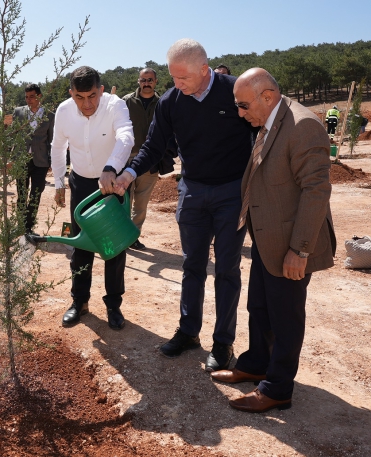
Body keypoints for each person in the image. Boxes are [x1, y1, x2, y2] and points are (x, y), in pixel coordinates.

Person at [113, 39, 255, 371]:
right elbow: (152, 145)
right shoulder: (171, 101)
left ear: (204, 70)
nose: (176, 85)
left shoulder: (235, 91)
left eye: (183, 79)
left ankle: (223, 343)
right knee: (191, 265)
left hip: (232, 192)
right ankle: (189, 331)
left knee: (226, 269)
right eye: (173, 78)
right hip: (192, 190)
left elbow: (261, 131)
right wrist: (129, 172)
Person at [210, 68, 336, 413]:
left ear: (267, 97)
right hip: (268, 240)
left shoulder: (303, 124)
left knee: (285, 317)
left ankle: (278, 388)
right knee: (260, 308)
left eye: (243, 105)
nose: (239, 113)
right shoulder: (271, 120)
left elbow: (316, 190)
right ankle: (255, 363)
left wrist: (300, 250)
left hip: (291, 243)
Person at [51, 66, 134, 330]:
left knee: (114, 248)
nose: (86, 104)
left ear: (100, 90)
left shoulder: (115, 105)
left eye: (92, 96)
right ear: (71, 93)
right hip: (81, 184)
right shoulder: (64, 111)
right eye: (79, 97)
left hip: (111, 185)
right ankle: (79, 302)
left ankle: (113, 306)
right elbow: (57, 146)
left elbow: (126, 136)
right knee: (81, 246)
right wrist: (58, 183)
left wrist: (111, 167)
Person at [123, 68, 163, 250]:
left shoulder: (163, 103)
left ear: (155, 82)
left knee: (141, 203)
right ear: (138, 82)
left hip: (151, 161)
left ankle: (133, 237)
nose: (146, 83)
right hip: (127, 159)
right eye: (143, 80)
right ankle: (121, 236)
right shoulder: (126, 102)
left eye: (150, 80)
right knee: (124, 201)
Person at [13, 84, 55, 233]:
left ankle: (28, 226)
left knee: (36, 194)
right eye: (26, 97)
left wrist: (51, 161)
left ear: (39, 96)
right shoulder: (18, 112)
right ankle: (20, 225)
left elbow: (51, 140)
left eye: (32, 96)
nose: (29, 100)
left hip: (40, 161)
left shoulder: (49, 115)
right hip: (22, 159)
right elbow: (14, 134)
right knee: (22, 194)